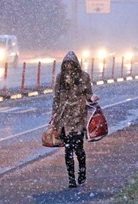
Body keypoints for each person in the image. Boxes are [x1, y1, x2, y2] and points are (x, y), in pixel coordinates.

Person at [52, 51, 98, 188]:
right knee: (68, 150)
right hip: (64, 118)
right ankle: (71, 179)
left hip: (78, 117)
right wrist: (54, 115)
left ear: (76, 64)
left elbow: (88, 93)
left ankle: (82, 174)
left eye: (71, 63)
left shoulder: (83, 77)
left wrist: (92, 98)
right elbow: (56, 98)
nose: (68, 66)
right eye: (66, 63)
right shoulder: (60, 78)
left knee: (78, 148)